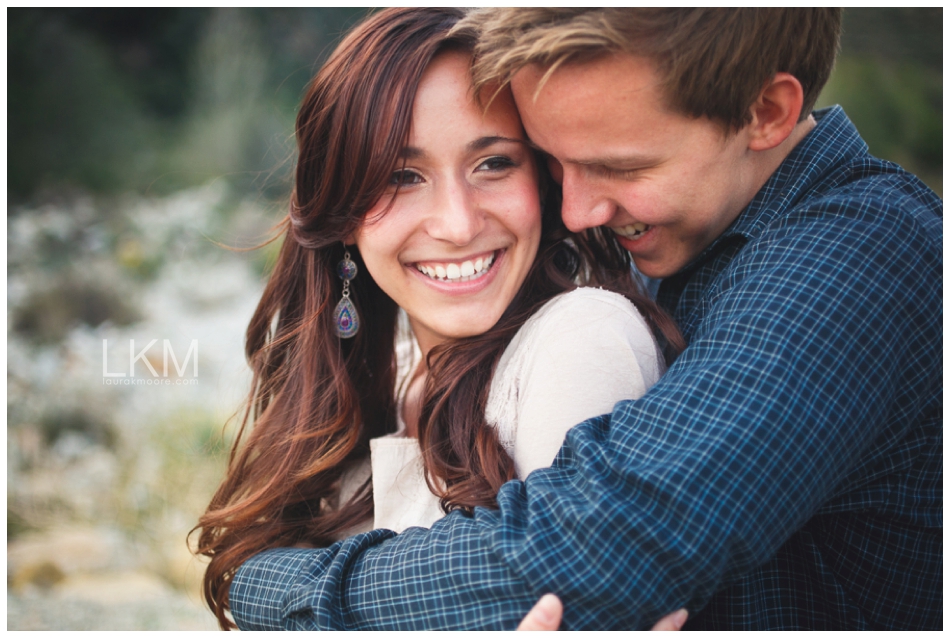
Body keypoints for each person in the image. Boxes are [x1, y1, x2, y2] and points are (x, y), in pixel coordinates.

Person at [227, 8, 942, 630]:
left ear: (766, 113)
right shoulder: (672, 252)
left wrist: (272, 589)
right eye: (556, 164)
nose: (575, 214)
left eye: (620, 167)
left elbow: (601, 552)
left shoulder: (863, 253)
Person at [193, 7, 686, 631]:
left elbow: (572, 586)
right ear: (342, 211)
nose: (457, 223)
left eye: (494, 163)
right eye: (402, 176)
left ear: (542, 175)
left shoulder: (579, 338)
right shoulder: (380, 381)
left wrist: (267, 587)